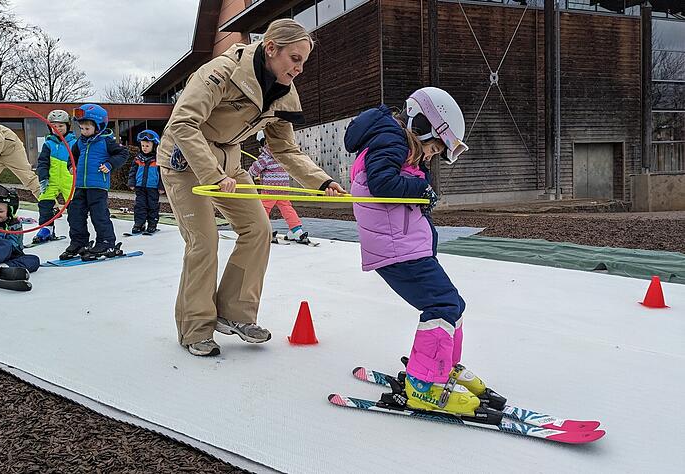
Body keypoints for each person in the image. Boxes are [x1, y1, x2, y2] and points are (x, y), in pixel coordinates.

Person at [157, 19, 345, 357]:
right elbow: (183, 124)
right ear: (271, 48)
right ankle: (195, 328)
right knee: (204, 241)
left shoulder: (285, 90)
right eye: (295, 59)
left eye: (304, 61)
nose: (300, 69)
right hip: (186, 159)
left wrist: (322, 181)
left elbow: (285, 149)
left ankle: (235, 313)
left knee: (258, 230)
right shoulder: (222, 71)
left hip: (229, 162)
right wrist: (213, 175)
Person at [344, 87, 492, 416]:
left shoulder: (397, 144)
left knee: (453, 304)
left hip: (406, 246)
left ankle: (443, 367)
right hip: (397, 249)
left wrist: (420, 186)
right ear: (423, 125)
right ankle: (425, 385)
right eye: (434, 147)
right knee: (441, 305)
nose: (430, 156)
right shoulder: (391, 139)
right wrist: (421, 188)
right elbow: (382, 185)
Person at [59, 104, 129, 261]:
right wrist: (71, 166)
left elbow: (123, 153)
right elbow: (72, 156)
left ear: (99, 127)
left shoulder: (106, 141)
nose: (83, 132)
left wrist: (110, 164)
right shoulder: (81, 142)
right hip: (80, 186)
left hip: (97, 186)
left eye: (87, 129)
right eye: (81, 128)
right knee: (75, 214)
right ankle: (79, 242)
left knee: (99, 215)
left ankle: (106, 242)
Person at [248, 130, 310, 244]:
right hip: (283, 188)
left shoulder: (265, 156)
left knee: (263, 209)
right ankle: (297, 231)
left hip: (270, 189)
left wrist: (249, 175)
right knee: (287, 208)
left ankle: (265, 231)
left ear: (262, 143)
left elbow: (255, 169)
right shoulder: (282, 155)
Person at [33, 110, 76, 243]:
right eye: (53, 127)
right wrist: (43, 178)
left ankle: (77, 232)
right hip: (51, 181)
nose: (57, 129)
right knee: (44, 203)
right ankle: (46, 230)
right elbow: (43, 162)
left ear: (68, 126)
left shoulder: (74, 143)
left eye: (61, 126)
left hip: (69, 181)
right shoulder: (48, 144)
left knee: (75, 208)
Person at [127, 129, 162, 235]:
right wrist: (131, 182)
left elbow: (162, 175)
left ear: (154, 145)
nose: (144, 148)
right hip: (140, 186)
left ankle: (152, 224)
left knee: (152, 206)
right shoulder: (138, 158)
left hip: (153, 187)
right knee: (140, 206)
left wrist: (162, 186)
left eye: (147, 146)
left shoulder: (157, 159)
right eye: (143, 146)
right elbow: (133, 171)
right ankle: (139, 224)